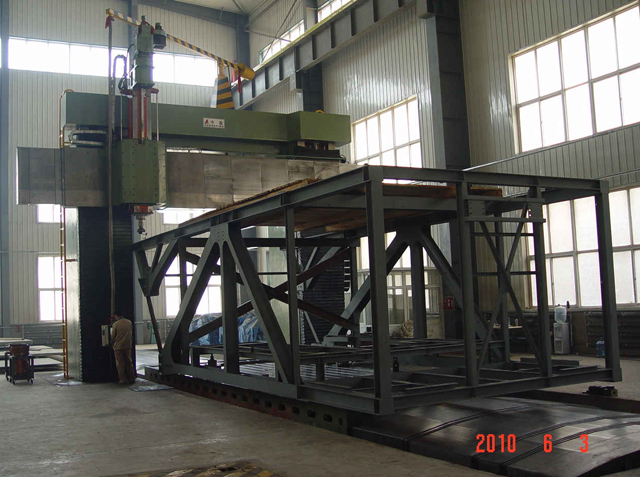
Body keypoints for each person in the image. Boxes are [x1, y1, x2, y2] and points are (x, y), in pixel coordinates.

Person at [111, 312, 136, 385]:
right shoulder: (129, 322)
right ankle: (132, 378)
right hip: (127, 346)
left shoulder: (116, 324)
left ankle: (123, 379)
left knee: (120, 364)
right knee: (129, 362)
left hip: (118, 346)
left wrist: (111, 343)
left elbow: (113, 336)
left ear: (116, 316)